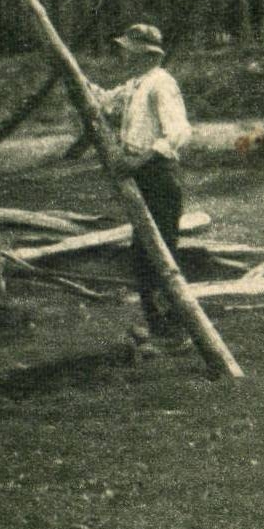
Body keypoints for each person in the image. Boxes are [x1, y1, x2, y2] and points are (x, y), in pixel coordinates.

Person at [87, 23, 192, 347]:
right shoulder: (136, 84)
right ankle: (159, 326)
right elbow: (105, 102)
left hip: (158, 174)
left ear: (143, 53)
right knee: (143, 253)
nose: (122, 55)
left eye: (127, 50)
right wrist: (76, 79)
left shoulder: (161, 84)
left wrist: (138, 160)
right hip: (143, 175)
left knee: (161, 252)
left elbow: (178, 132)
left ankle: (178, 330)